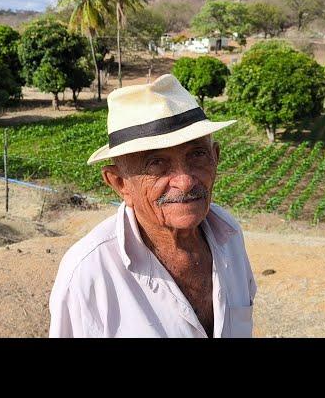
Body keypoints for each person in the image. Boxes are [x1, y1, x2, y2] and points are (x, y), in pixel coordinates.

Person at [49, 74, 256, 337]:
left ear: (215, 158)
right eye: (156, 163)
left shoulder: (230, 237)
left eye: (197, 154)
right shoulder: (89, 275)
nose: (185, 181)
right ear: (120, 183)